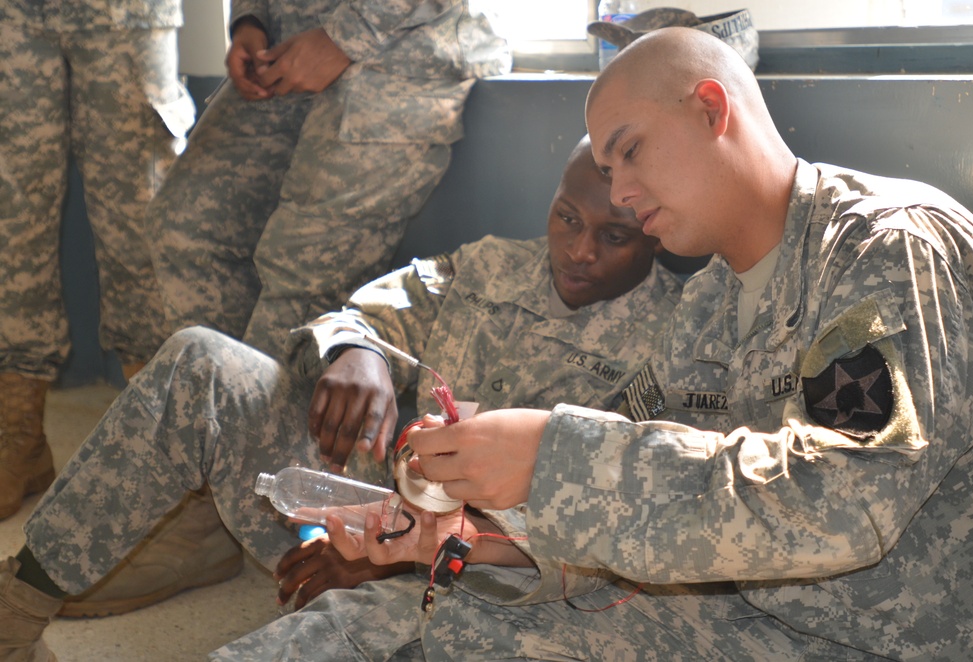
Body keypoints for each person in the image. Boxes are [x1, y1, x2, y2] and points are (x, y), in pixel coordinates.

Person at [324, 27, 973, 660]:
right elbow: (656, 500)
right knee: (441, 625)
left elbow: (845, 497)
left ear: (710, 109)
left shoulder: (887, 246)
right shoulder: (705, 302)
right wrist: (471, 539)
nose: (619, 188)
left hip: (890, 642)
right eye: (607, 167)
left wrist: (551, 452)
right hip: (751, 618)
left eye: (631, 150)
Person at [0, 136, 683, 661]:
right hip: (339, 519)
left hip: (471, 580)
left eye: (613, 236)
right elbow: (366, 310)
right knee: (200, 359)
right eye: (565, 218)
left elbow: (610, 537)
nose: (579, 249)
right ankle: (17, 612)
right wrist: (357, 350)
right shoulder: (491, 267)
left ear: (654, 231)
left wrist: (405, 551)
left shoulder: (675, 346)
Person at [146, 0, 511, 361]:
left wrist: (345, 34)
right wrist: (250, 16)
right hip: (281, 50)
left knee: (303, 271)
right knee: (186, 230)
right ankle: (215, 404)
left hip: (401, 48)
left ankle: (261, 416)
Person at [0, 1, 194, 521]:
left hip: (123, 12)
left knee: (141, 226)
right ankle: (16, 434)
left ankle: (163, 451)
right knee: (9, 223)